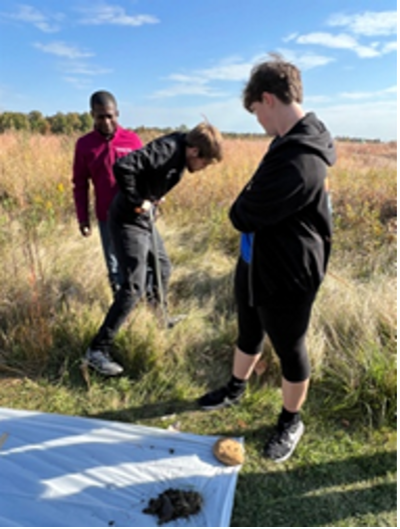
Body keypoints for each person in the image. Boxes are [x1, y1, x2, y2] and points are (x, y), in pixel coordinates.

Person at [199, 56, 336, 463]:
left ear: (269, 99)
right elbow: (253, 201)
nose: (257, 121)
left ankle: (291, 419)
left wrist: (243, 205)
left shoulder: (301, 158)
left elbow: (241, 213)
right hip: (257, 259)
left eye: (257, 111)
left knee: (290, 346)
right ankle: (236, 388)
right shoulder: (287, 142)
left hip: (290, 272)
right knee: (248, 327)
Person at [85, 122, 224, 376]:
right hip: (128, 220)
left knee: (163, 266)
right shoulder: (167, 150)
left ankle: (159, 319)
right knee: (134, 286)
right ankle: (97, 350)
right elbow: (123, 166)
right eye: (205, 163)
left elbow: (147, 174)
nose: (203, 169)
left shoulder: (182, 150)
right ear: (194, 151)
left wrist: (154, 196)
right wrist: (139, 200)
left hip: (143, 220)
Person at [72, 91, 143, 296]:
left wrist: (152, 205)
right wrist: (83, 219)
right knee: (114, 266)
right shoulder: (85, 145)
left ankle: (147, 306)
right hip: (107, 216)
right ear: (92, 115)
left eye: (110, 115)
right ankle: (119, 307)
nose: (106, 121)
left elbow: (146, 176)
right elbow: (80, 184)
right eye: (100, 116)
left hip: (134, 213)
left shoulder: (132, 140)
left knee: (140, 260)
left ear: (117, 113)